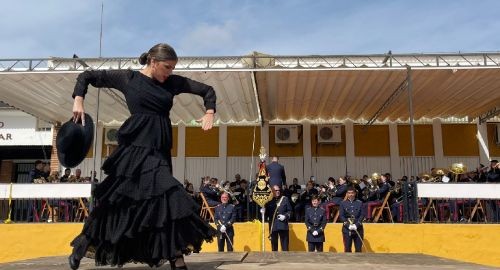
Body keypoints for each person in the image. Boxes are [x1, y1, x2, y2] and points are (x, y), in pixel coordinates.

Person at [68, 43, 218, 270]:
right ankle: (82, 246)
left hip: (159, 149)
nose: (169, 72)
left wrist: (209, 111)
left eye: (172, 68)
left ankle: (176, 256)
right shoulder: (128, 79)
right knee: (117, 201)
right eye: (167, 67)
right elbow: (87, 75)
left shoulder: (173, 83)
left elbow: (207, 91)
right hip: (134, 149)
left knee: (166, 203)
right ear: (153, 62)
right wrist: (78, 99)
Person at [265, 185, 292, 251]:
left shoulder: (285, 199)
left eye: (279, 190)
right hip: (273, 226)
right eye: (276, 190)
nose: (278, 192)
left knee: (285, 246)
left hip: (283, 225)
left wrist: (285, 216)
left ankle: (285, 260)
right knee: (274, 247)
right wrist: (263, 211)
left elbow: (290, 211)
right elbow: (267, 214)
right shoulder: (269, 200)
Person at [339, 186, 364, 252]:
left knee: (358, 249)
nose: (350, 194)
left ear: (355, 193)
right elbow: (341, 216)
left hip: (358, 229)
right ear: (347, 194)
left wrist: (357, 225)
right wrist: (348, 225)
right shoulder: (342, 203)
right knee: (347, 249)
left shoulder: (360, 203)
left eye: (352, 193)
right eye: (349, 193)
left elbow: (362, 215)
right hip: (347, 229)